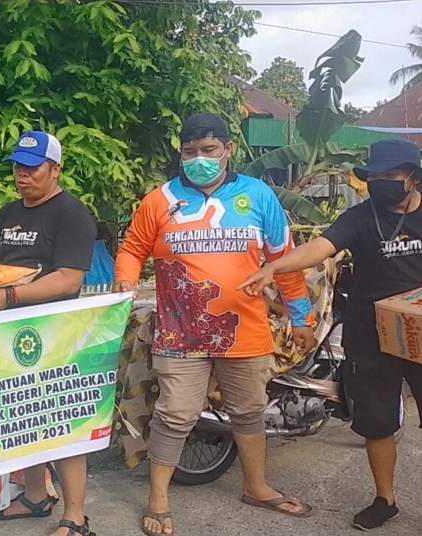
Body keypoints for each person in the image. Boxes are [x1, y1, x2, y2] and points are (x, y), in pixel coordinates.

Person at [113, 113, 316, 536]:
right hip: (179, 332)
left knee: (249, 411)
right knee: (175, 415)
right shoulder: (160, 200)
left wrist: (302, 317)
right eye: (190, 152)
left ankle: (256, 486)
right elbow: (133, 249)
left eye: (209, 150)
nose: (199, 159)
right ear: (181, 153)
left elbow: (286, 261)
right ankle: (158, 500)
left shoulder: (258, 196)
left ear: (227, 149)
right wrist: (124, 283)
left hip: (245, 330)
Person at [239, 138, 422, 531]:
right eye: (375, 177)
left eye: (391, 176)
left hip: (420, 329)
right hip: (369, 333)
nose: (382, 183)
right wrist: (276, 267)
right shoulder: (359, 218)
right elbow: (319, 247)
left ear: (412, 177)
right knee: (376, 421)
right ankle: (384, 499)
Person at [0, 130, 98, 536]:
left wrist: (10, 296)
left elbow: (67, 279)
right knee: (22, 415)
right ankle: (35, 495)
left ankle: (76, 516)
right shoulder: (9, 211)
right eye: (17, 166)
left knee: (61, 420)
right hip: (11, 330)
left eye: (32, 168)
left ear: (55, 168)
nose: (22, 175)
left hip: (54, 331)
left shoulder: (72, 214)